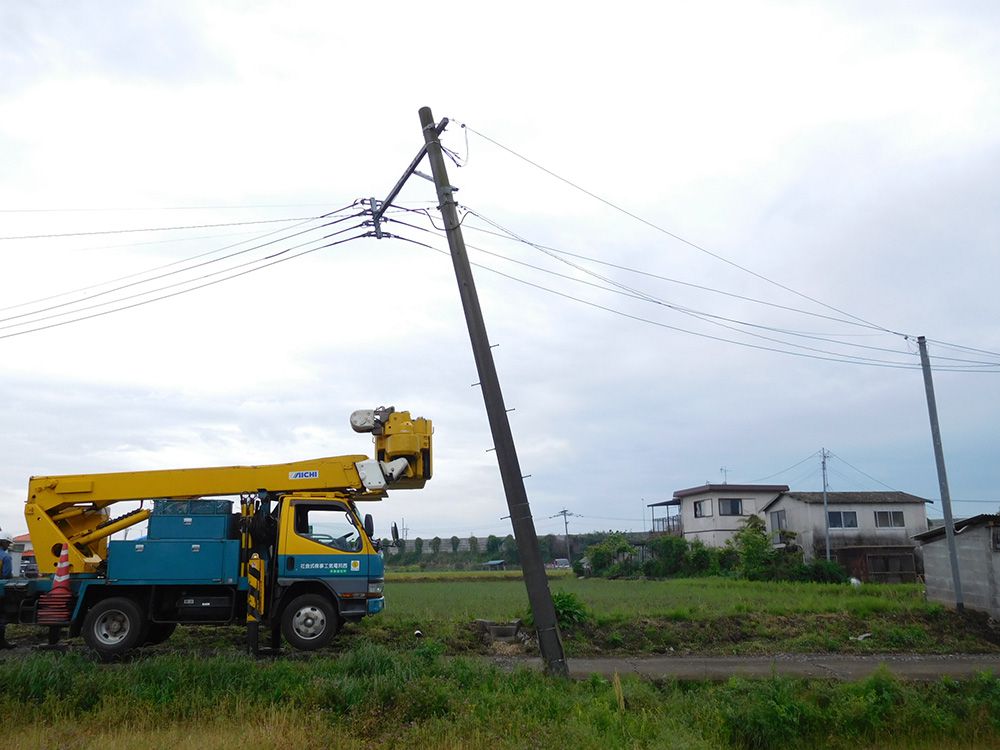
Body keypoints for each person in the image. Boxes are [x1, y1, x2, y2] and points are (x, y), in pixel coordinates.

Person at [0, 531, 14, 648]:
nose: (8, 546)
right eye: (7, 543)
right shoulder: (5, 557)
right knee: (1, 617)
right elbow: (6, 575)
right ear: (3, 542)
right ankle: (1, 642)